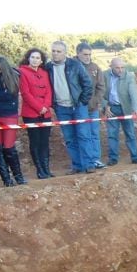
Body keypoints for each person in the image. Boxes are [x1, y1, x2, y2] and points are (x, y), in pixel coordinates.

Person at [46, 40, 94, 174]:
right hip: (61, 108)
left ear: (65, 53)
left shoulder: (75, 65)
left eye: (58, 51)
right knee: (69, 138)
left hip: (77, 106)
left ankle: (89, 165)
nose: (55, 54)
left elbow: (87, 84)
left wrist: (82, 101)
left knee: (84, 135)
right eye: (53, 51)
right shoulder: (48, 67)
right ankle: (77, 166)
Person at [0, 55, 26, 186]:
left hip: (9, 116)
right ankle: (6, 179)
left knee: (9, 147)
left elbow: (9, 95)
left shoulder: (13, 77)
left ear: (2, 69)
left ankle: (18, 177)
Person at [19, 48, 54, 179]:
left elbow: (49, 91)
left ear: (41, 60)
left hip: (45, 113)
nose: (35, 60)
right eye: (33, 57)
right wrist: (39, 107)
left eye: (38, 58)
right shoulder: (22, 72)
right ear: (28, 58)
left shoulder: (44, 73)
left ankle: (46, 169)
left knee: (44, 142)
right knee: (35, 141)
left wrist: (45, 106)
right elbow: (25, 93)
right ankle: (40, 170)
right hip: (30, 113)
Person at [103, 57, 137, 165]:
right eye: (117, 68)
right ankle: (113, 159)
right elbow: (100, 92)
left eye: (122, 67)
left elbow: (133, 93)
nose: (120, 70)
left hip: (126, 107)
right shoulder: (104, 75)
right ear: (111, 67)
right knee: (112, 134)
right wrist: (105, 106)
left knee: (130, 133)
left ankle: (135, 157)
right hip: (111, 108)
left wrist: (136, 109)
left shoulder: (129, 76)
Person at [76, 43, 106, 170]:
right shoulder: (72, 66)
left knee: (94, 134)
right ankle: (85, 162)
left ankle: (95, 159)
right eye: (85, 54)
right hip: (78, 107)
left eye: (89, 54)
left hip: (93, 108)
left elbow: (101, 86)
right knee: (83, 135)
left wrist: (96, 100)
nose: (87, 57)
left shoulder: (95, 68)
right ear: (78, 53)